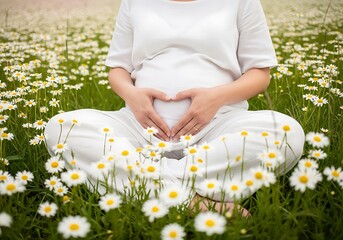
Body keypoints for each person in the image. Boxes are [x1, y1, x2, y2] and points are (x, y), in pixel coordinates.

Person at [45, 0, 305, 217]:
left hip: (219, 126)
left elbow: (259, 73)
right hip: (139, 130)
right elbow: (118, 69)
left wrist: (216, 98)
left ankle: (148, 182)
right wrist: (132, 95)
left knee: (287, 133)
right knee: (60, 129)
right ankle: (192, 201)